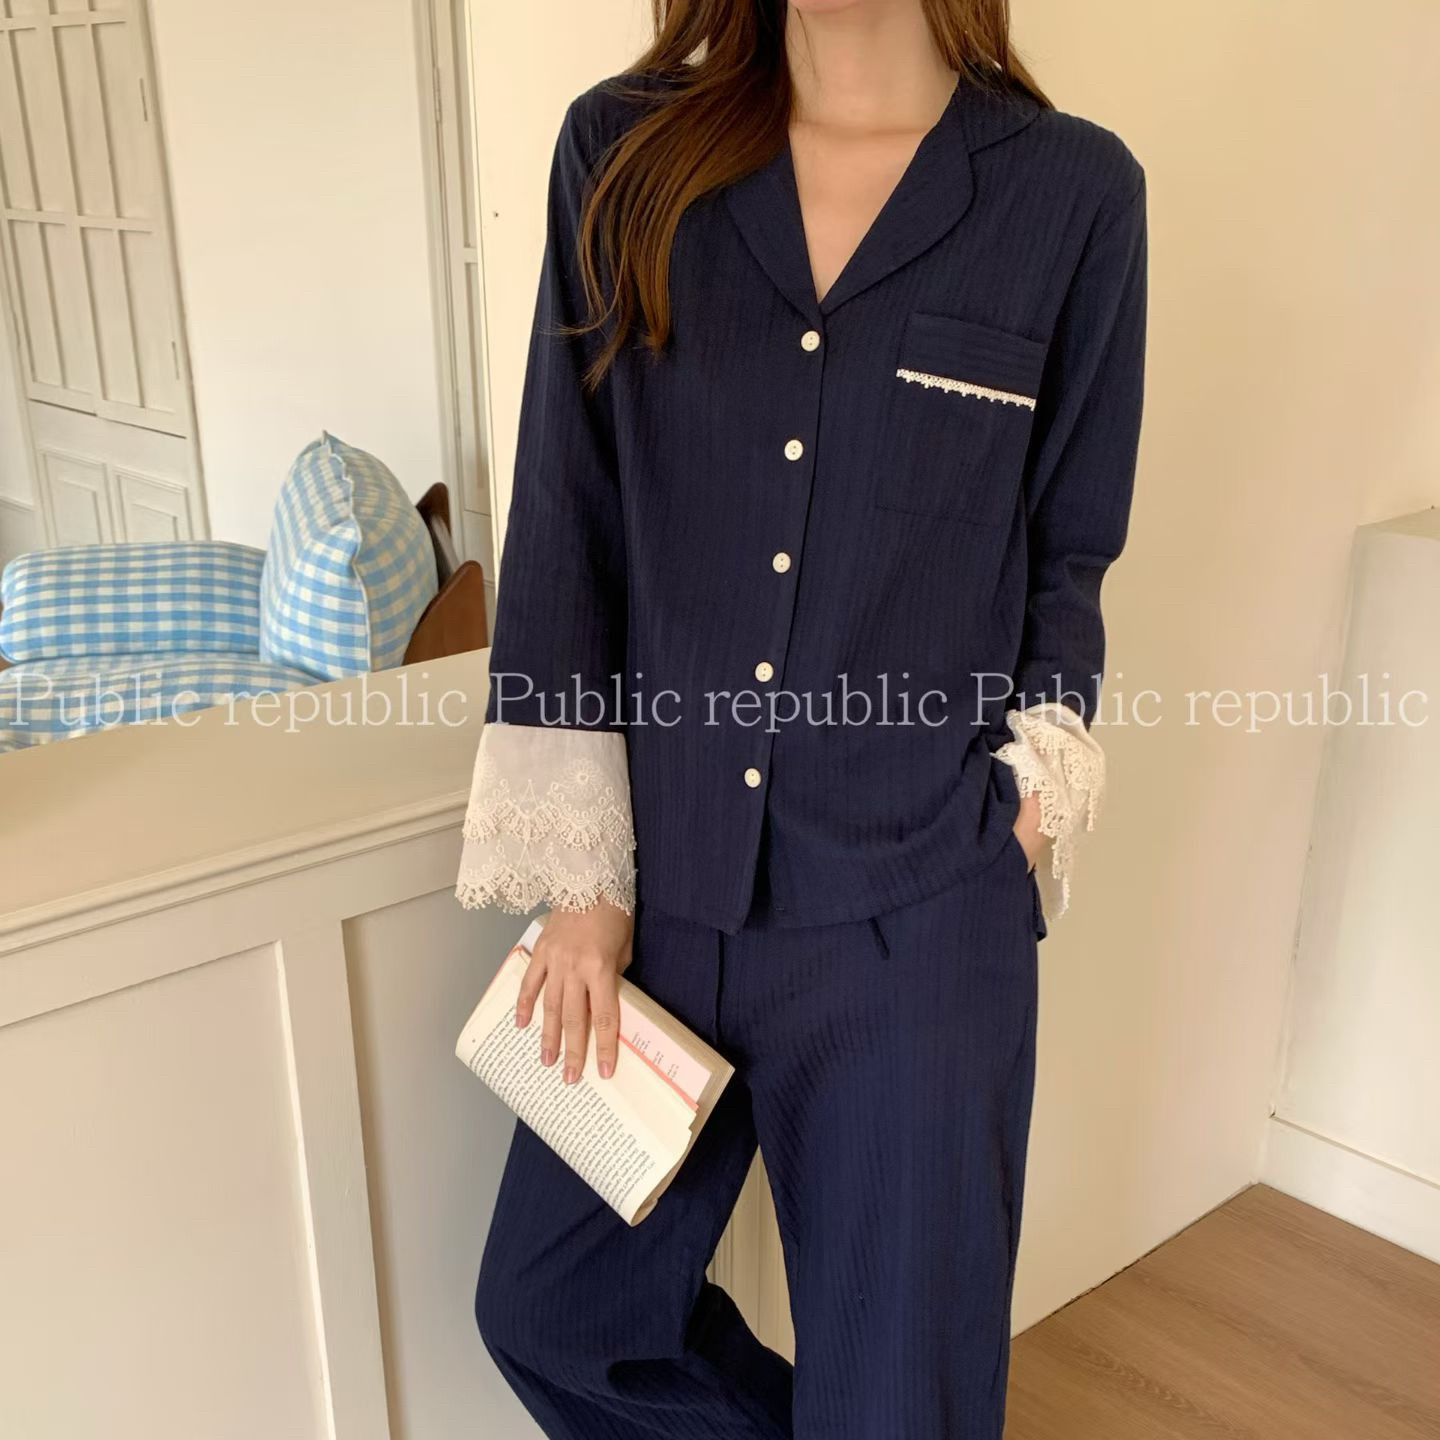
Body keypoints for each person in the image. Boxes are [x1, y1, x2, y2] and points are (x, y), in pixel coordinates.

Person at [456, 0, 1146, 1434]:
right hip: (653, 907)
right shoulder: (623, 151)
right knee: (554, 1314)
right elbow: (569, 513)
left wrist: (1026, 806)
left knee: (901, 1400)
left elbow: (1067, 551)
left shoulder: (1073, 191)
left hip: (918, 917)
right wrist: (584, 885)